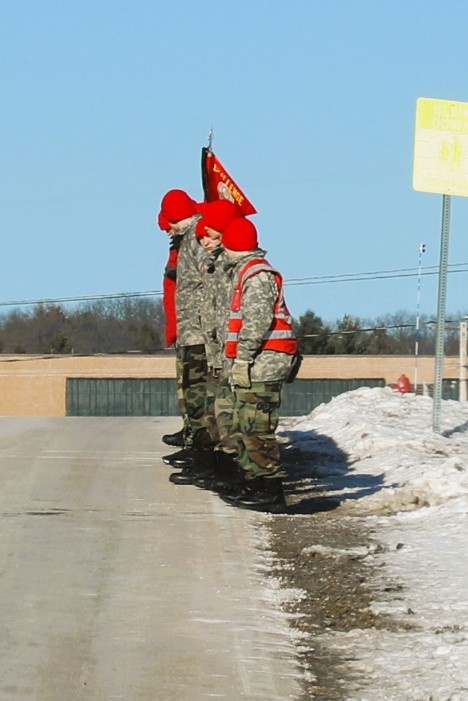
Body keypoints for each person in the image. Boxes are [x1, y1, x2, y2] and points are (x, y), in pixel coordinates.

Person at [214, 216, 299, 513]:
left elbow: (257, 323)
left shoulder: (257, 275)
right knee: (245, 424)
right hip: (258, 361)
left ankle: (270, 489)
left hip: (265, 361)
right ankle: (255, 483)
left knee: (256, 427)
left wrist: (243, 358)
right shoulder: (247, 273)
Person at [168, 198, 241, 486]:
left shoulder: (197, 243)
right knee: (199, 400)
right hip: (198, 332)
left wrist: (204, 332)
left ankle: (208, 460)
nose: (207, 242)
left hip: (204, 335)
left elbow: (211, 288)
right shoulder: (191, 240)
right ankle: (202, 455)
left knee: (206, 402)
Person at [158, 189, 214, 470]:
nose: (167, 229)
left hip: (199, 330)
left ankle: (202, 452)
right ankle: (196, 444)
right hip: (190, 328)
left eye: (168, 222)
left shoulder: (196, 238)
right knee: (191, 392)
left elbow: (211, 281)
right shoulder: (190, 237)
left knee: (197, 393)